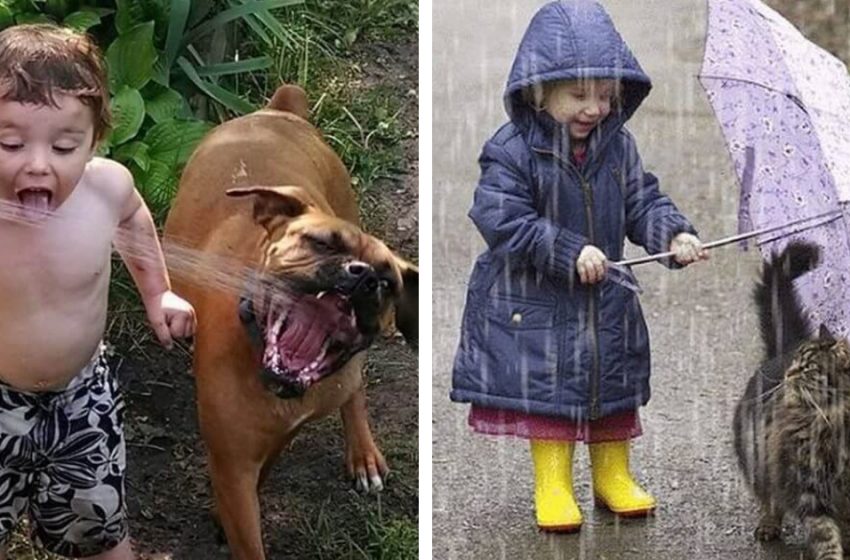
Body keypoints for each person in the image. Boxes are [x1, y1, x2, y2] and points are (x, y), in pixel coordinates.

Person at [450, 0, 708, 532]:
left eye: (606, 94)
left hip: (605, 297)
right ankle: (554, 484)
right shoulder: (512, 150)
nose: (594, 108)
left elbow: (642, 200)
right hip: (537, 302)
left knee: (610, 389)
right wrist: (566, 250)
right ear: (540, 92)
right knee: (550, 393)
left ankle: (614, 475)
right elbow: (501, 218)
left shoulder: (618, 147)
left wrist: (674, 233)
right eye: (579, 94)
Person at [0, 24, 196, 559]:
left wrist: (160, 294)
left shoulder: (106, 189)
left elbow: (133, 221)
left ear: (94, 142)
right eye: (9, 142)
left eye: (64, 145)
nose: (38, 162)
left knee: (101, 528)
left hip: (82, 396)